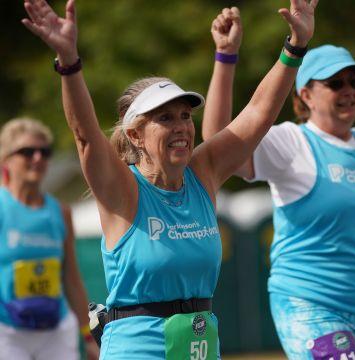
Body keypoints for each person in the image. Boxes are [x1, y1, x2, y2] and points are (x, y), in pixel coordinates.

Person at [22, 0, 317, 358]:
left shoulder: (202, 173)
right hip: (137, 348)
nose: (181, 127)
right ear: (135, 135)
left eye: (184, 116)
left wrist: (295, 47)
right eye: (165, 118)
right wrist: (69, 62)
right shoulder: (124, 190)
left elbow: (257, 113)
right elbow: (84, 133)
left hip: (200, 345)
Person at [203, 21, 355, 360]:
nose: (349, 90)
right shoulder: (292, 142)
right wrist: (226, 58)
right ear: (305, 95)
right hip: (312, 307)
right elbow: (216, 142)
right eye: (335, 82)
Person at [0, 118, 99, 359]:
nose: (37, 158)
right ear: (6, 160)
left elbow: (72, 279)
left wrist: (88, 336)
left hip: (55, 328)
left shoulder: (61, 212)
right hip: (8, 330)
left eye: (44, 152)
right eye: (27, 152)